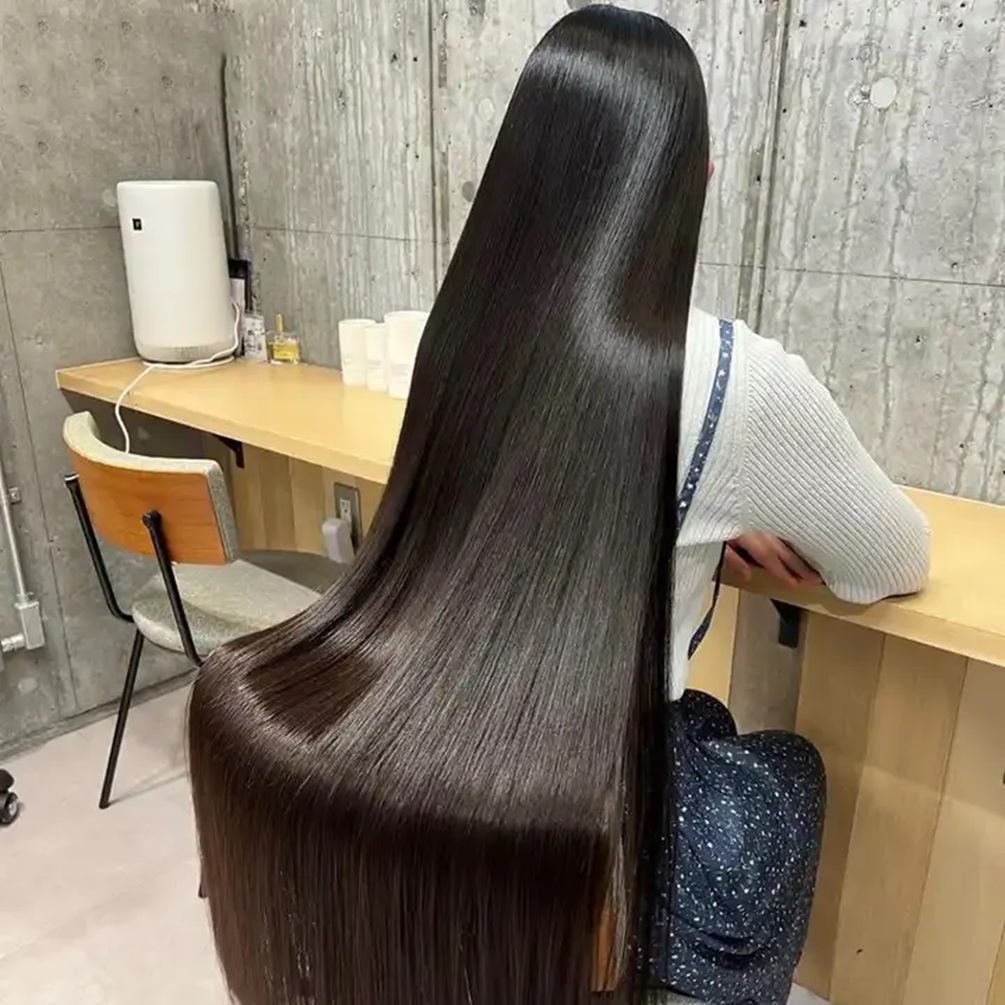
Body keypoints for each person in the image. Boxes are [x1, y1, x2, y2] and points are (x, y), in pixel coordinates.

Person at [187, 7, 929, 1005]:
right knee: (780, 774)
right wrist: (727, 505)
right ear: (696, 178)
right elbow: (889, 559)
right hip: (580, 781)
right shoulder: (735, 380)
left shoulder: (458, 333)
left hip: (430, 727)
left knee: (703, 724)